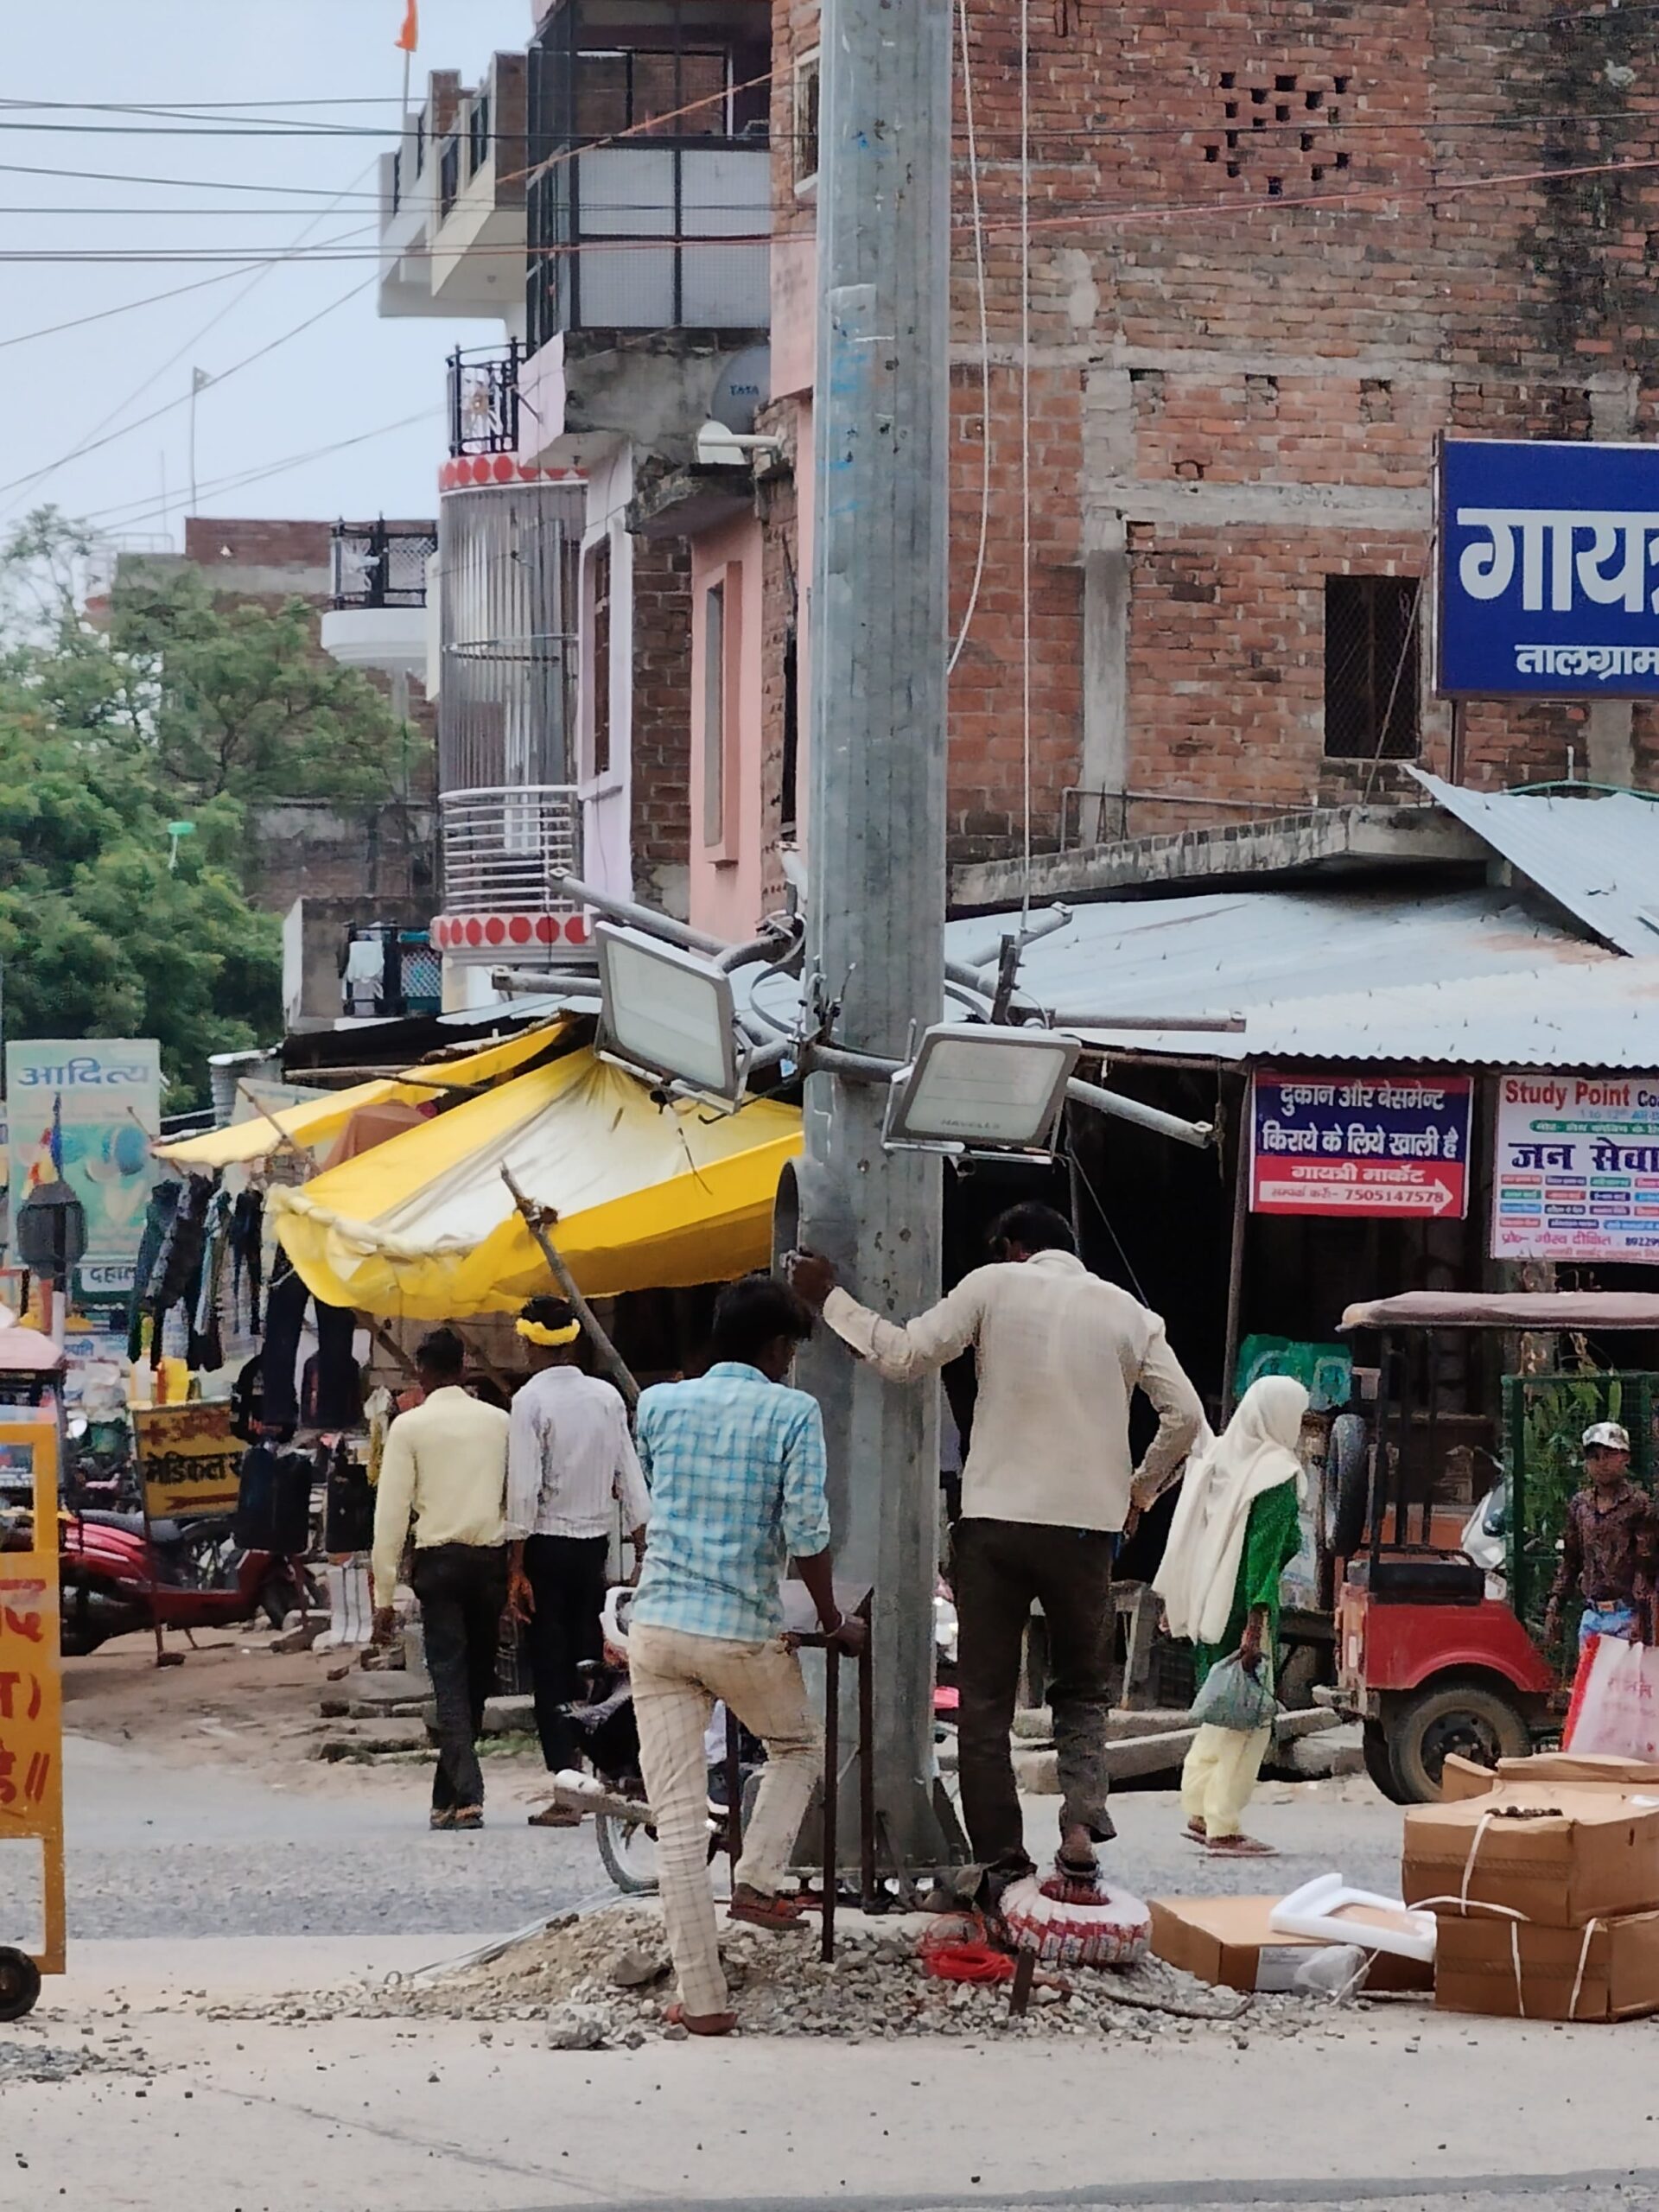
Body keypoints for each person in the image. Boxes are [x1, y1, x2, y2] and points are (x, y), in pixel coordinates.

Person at [790, 1201, 1203, 1895]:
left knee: (983, 1702)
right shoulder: (1129, 1311)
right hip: (1085, 1533)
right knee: (1081, 1692)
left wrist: (828, 1295)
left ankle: (1003, 1861)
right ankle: (1078, 1832)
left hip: (993, 1525)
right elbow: (1185, 1416)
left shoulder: (991, 1285)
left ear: (1014, 1248)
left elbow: (902, 1355)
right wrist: (1137, 1493)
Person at [627, 1274, 865, 2037]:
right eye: (792, 1347)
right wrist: (832, 1619)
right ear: (775, 1347)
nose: (793, 1362)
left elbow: (662, 1499)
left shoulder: (659, 1404)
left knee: (678, 1822)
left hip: (658, 1629)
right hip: (739, 1629)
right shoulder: (793, 1412)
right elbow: (807, 1531)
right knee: (797, 1744)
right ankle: (760, 1877)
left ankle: (703, 2003)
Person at [505, 1295, 651, 1828]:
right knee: (595, 1661)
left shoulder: (529, 1401)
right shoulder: (607, 1396)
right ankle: (609, 1773)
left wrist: (515, 1566)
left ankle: (568, 1789)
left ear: (527, 1343)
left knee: (549, 1667)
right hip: (594, 1548)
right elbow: (628, 1474)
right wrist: (641, 1545)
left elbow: (523, 1491)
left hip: (544, 1546)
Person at [1154, 1376, 1308, 1857]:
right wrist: (1256, 1627)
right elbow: (1263, 1560)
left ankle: (1198, 1808)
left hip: (1210, 1604)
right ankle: (1224, 1824)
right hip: (1246, 1612)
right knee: (1250, 1723)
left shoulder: (1222, 1461)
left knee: (1223, 1711)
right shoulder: (1276, 1474)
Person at [372, 1327, 512, 1832]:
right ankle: (448, 1796)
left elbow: (390, 1517)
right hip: (489, 1562)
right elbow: (513, 1499)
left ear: (422, 1372)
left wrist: (384, 1594)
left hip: (439, 1564)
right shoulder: (499, 1422)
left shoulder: (410, 1427)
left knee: (450, 1677)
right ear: (465, 1368)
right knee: (475, 1678)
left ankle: (465, 1794)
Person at [1544, 1421, 1657, 1652]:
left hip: (1628, 1614)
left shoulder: (1640, 1505)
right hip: (1593, 1615)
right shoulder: (1580, 1505)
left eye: (1609, 1455)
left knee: (1626, 1686)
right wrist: (1555, 1607)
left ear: (1625, 1457)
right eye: (1594, 1457)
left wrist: (1642, 1617)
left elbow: (1647, 1567)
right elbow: (1571, 1559)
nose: (1601, 1463)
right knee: (1591, 1686)